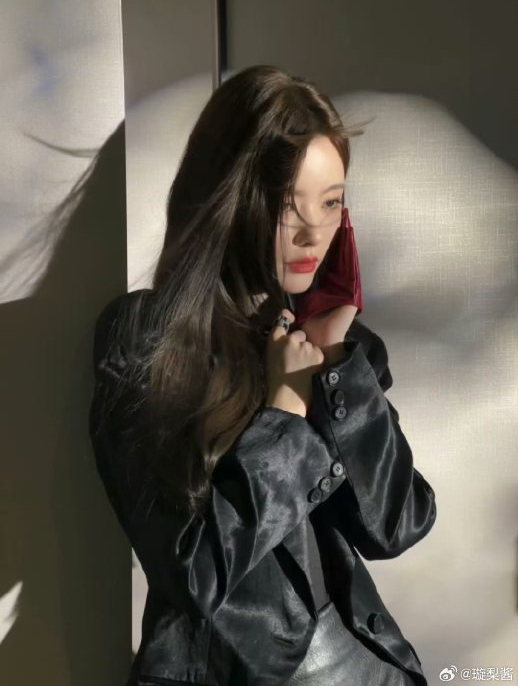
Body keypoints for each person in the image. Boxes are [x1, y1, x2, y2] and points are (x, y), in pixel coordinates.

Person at [88, 64, 437, 686]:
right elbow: (193, 575)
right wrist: (282, 414)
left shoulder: (340, 350)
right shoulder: (147, 339)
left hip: (361, 666)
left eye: (331, 203)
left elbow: (397, 525)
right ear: (232, 197)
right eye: (287, 206)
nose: (313, 233)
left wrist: (336, 364)